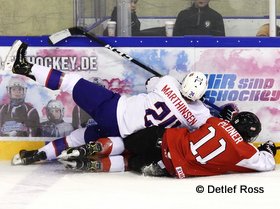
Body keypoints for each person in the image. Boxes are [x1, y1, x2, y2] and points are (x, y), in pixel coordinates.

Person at [5, 40, 212, 165]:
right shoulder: (201, 115)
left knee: (71, 82)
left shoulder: (169, 83)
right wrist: (229, 111)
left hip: (113, 109)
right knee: (78, 137)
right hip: (125, 136)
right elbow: (214, 127)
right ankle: (34, 156)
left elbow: (151, 82)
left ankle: (21, 66)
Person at [58, 111, 276, 178]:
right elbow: (266, 164)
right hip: (167, 166)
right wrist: (268, 148)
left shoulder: (216, 122)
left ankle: (89, 149)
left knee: (125, 143)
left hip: (162, 139)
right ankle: (91, 166)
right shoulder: (245, 151)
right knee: (129, 162)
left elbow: (199, 122)